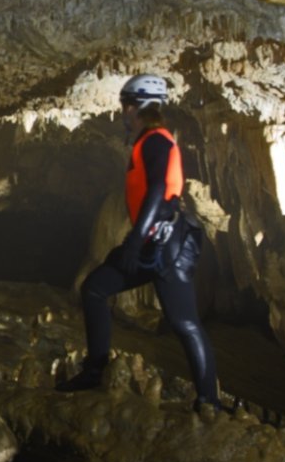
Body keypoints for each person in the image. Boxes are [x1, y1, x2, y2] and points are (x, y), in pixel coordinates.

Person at [59, 74, 223, 412]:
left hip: (167, 246)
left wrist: (134, 241)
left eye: (128, 106)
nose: (124, 113)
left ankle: (209, 401)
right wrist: (138, 242)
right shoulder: (146, 141)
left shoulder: (157, 141)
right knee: (95, 289)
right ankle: (94, 371)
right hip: (152, 243)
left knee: (184, 322)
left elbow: (157, 193)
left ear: (141, 107)